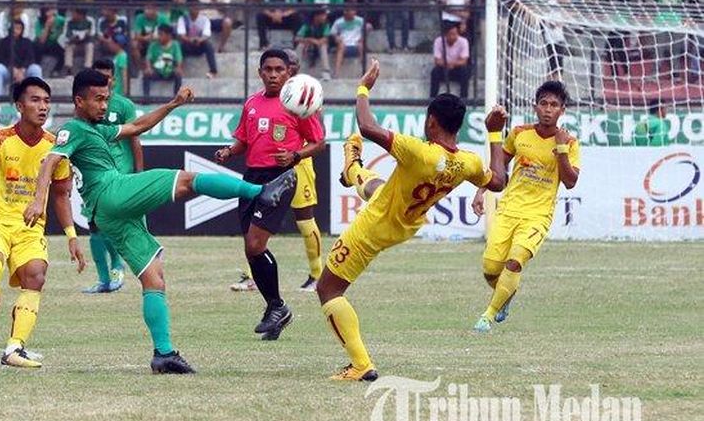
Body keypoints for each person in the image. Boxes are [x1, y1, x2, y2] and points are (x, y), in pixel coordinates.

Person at [25, 70, 298, 373]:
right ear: (79, 100)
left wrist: (173, 104)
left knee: (153, 278)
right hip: (111, 191)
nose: (104, 106)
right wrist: (38, 200)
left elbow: (139, 125)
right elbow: (51, 159)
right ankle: (260, 192)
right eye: (98, 100)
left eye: (107, 99)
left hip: (107, 212)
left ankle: (163, 354)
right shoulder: (72, 129)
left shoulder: (97, 130)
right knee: (186, 180)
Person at [316, 59, 506, 380]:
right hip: (405, 223)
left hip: (372, 228)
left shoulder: (419, 152)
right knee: (377, 185)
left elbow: (367, 126)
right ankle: (353, 168)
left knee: (328, 290)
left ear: (432, 121)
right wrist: (494, 133)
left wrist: (363, 87)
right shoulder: (469, 162)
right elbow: (498, 181)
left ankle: (361, 365)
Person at [0, 77, 86, 368]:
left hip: (30, 227)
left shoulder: (55, 147)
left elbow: (61, 195)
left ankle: (14, 348)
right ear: (19, 106)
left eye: (47, 101)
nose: (43, 106)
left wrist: (72, 235)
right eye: (35, 100)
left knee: (36, 274)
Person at [215, 49, 327, 341]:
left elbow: (318, 143)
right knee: (250, 249)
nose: (274, 74)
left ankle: (277, 306)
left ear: (289, 72)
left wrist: (295, 155)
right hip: (252, 177)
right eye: (268, 69)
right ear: (260, 72)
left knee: (255, 244)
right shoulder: (252, 103)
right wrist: (229, 151)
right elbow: (243, 140)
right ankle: (276, 310)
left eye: (279, 69)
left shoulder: (297, 103)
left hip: (281, 179)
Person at [471, 81, 580, 333]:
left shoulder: (570, 142)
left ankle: (487, 316)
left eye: (554, 105)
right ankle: (507, 294)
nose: (548, 109)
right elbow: (498, 166)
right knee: (490, 269)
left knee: (514, 261)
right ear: (535, 106)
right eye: (543, 103)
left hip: (537, 216)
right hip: (509, 209)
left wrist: (561, 149)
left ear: (562, 110)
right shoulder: (519, 133)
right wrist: (481, 189)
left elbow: (571, 182)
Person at [82, 59, 144, 294]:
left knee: (105, 224)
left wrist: (139, 173)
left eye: (106, 77)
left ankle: (117, 266)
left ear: (113, 80)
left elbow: (135, 137)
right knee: (94, 226)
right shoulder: (87, 105)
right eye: (97, 76)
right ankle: (104, 280)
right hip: (94, 174)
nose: (102, 81)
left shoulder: (122, 106)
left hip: (119, 172)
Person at [0, 20, 42, 97]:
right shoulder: (2, 42)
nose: (16, 31)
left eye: (19, 28)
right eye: (14, 28)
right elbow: (0, 58)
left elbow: (30, 58)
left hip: (24, 72)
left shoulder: (27, 42)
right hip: (8, 71)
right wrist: (12, 69)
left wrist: (22, 70)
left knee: (36, 69)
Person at [176, 0, 218, 78]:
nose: (194, 9)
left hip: (199, 45)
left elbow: (206, 34)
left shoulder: (204, 19)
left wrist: (199, 40)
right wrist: (189, 40)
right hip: (187, 45)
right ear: (187, 8)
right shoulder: (182, 19)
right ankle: (179, 69)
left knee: (208, 45)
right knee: (178, 45)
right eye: (191, 7)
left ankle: (213, 71)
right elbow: (181, 35)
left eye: (196, 7)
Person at [430, 24, 470, 98]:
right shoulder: (438, 41)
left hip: (457, 68)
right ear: (445, 35)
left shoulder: (463, 41)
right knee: (435, 72)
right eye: (450, 34)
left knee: (465, 72)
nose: (452, 37)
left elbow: (464, 61)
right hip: (443, 67)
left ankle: (464, 99)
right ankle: (432, 98)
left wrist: (453, 64)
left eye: (455, 34)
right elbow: (437, 60)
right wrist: (446, 64)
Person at [143, 24, 183, 97]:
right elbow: (148, 58)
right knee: (146, 74)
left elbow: (179, 58)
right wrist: (148, 68)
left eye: (161, 34)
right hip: (157, 71)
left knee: (178, 74)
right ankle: (146, 98)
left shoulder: (175, 45)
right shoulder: (153, 45)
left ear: (169, 35)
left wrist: (178, 67)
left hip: (170, 71)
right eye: (158, 34)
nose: (159, 36)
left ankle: (176, 98)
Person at [294, 6, 332, 81]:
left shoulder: (326, 25)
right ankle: (295, 71)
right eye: (323, 15)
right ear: (316, 16)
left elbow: (325, 39)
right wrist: (310, 40)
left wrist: (317, 42)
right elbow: (297, 38)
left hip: (320, 46)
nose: (325, 17)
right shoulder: (307, 25)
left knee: (323, 46)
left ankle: (326, 72)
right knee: (300, 46)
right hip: (307, 45)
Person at [131, 3, 169, 76]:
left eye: (149, 9)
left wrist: (155, 38)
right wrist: (145, 38)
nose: (147, 11)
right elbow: (136, 35)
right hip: (144, 42)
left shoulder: (163, 18)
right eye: (146, 9)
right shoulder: (140, 17)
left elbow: (168, 35)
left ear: (155, 10)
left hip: (158, 42)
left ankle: (159, 69)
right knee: (134, 44)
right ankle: (140, 70)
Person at [330, 8, 366, 78]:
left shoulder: (360, 20)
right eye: (351, 11)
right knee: (341, 46)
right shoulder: (338, 22)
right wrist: (336, 38)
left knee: (361, 45)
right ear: (345, 12)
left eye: (353, 11)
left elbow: (368, 27)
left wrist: (362, 38)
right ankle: (336, 72)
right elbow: (333, 33)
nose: (353, 13)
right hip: (344, 44)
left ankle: (364, 71)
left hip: (356, 44)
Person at [62, 9, 96, 75]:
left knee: (90, 45)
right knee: (68, 45)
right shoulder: (69, 21)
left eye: (74, 13)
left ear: (81, 15)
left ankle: (87, 67)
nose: (72, 15)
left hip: (85, 44)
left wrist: (86, 35)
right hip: (74, 44)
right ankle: (68, 67)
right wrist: (73, 38)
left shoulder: (90, 20)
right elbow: (66, 36)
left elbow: (92, 34)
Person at [35, 7, 66, 77]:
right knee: (37, 46)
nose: (48, 14)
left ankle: (56, 71)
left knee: (63, 52)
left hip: (55, 43)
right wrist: (47, 26)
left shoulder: (60, 19)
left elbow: (66, 25)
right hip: (43, 44)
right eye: (46, 12)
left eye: (50, 11)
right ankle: (37, 68)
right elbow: (42, 40)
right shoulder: (39, 22)